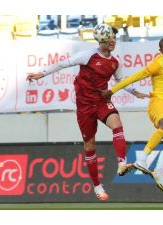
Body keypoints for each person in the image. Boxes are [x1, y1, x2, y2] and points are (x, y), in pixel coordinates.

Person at [27, 23, 149, 201]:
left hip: (101, 102)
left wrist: (134, 91)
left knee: (117, 123)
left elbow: (121, 80)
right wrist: (41, 74)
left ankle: (121, 163)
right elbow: (62, 64)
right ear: (101, 41)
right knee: (90, 146)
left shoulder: (114, 63)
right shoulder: (87, 56)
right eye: (109, 39)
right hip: (84, 107)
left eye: (114, 38)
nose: (112, 41)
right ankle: (97, 186)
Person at [100, 37, 163, 192]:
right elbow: (134, 77)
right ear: (160, 51)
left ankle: (160, 171)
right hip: (157, 103)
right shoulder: (157, 64)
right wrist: (111, 91)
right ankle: (142, 159)